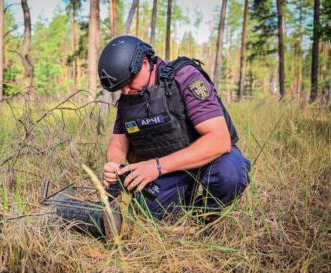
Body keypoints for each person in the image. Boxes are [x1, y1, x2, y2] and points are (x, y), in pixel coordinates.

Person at [99, 35, 251, 221]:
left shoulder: (184, 77)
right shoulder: (129, 96)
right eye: (120, 87)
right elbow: (118, 145)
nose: (125, 91)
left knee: (230, 175)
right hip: (168, 170)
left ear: (145, 63)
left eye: (129, 82)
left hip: (208, 161)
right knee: (145, 211)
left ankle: (204, 215)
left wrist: (156, 166)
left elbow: (219, 140)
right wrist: (115, 165)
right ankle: (182, 200)